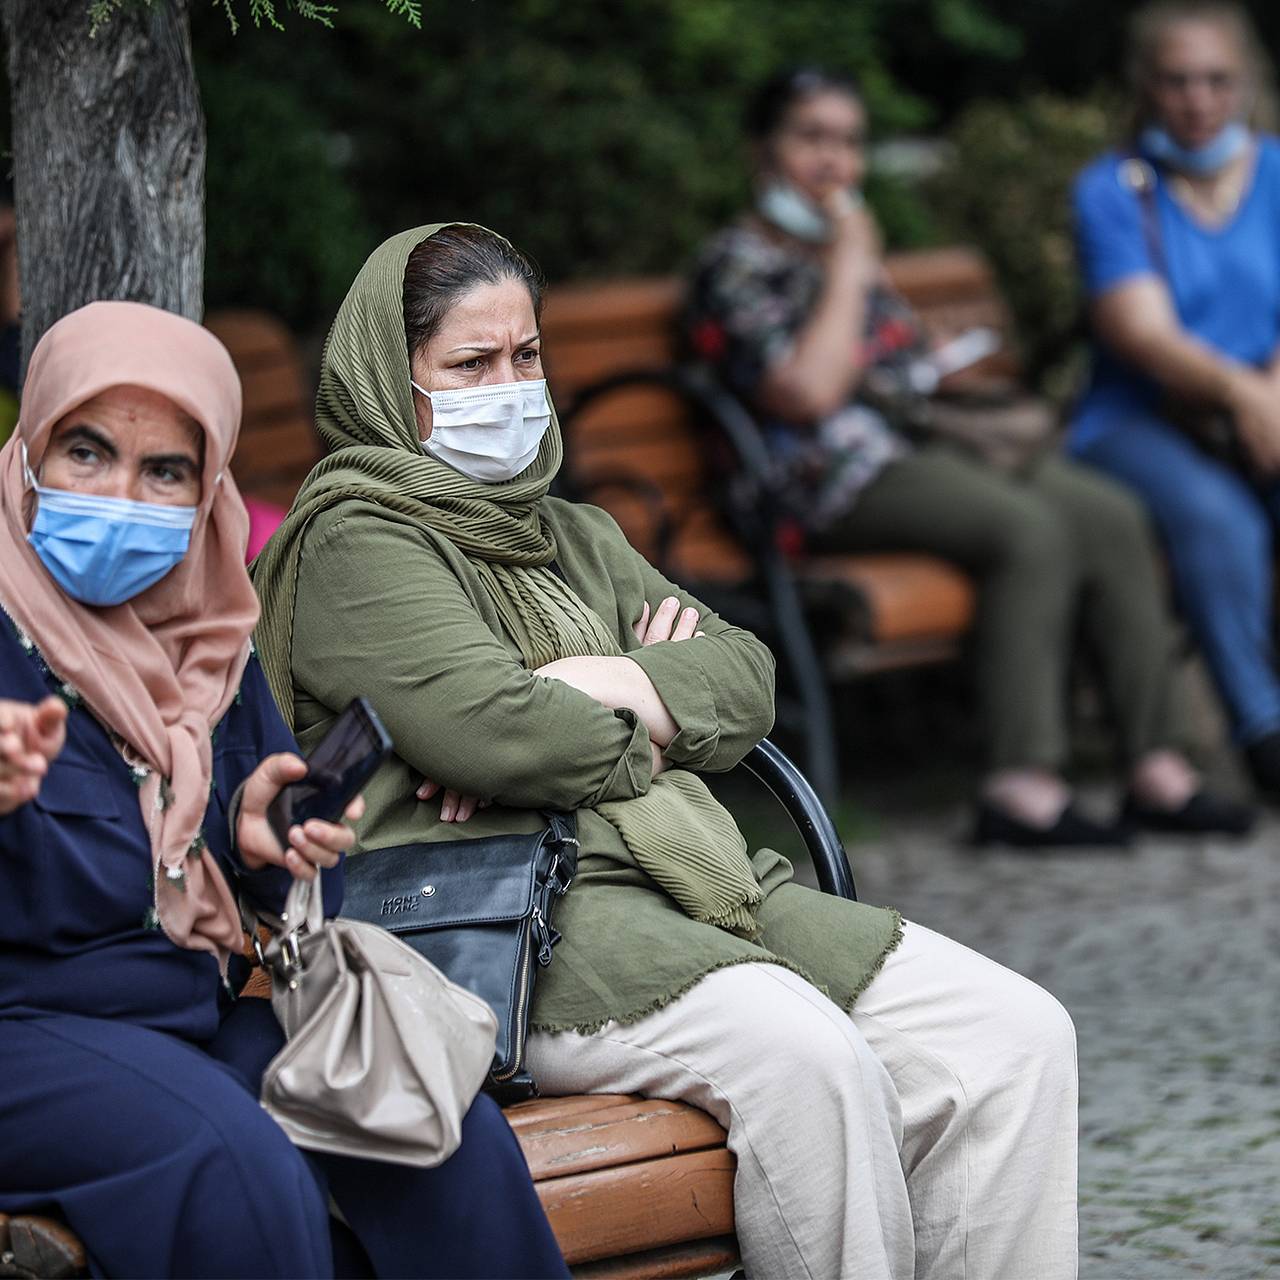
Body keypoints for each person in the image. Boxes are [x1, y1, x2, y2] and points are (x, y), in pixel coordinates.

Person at [251, 220, 1079, 1279]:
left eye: (526, 355)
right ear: (385, 377)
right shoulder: (356, 542)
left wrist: (577, 688)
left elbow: (747, 678)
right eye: (469, 364)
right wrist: (634, 711)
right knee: (808, 1059)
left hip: (694, 879)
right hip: (516, 929)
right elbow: (499, 734)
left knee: (1014, 1035)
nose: (509, 386)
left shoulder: (573, 533)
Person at [0, 301, 568, 1280]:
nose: (121, 494)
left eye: (164, 470)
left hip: (182, 1018)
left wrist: (265, 846)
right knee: (236, 1165)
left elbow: (275, 888)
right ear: (27, 456)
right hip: (23, 1034)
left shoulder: (205, 639)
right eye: (85, 453)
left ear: (206, 491)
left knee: (433, 1125)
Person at [682, 65, 1254, 844]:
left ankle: (1159, 770)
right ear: (763, 152)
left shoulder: (837, 253)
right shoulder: (736, 265)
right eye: (811, 138)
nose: (833, 163)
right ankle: (1022, 785)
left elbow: (895, 368)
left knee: (1110, 513)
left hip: (919, 447)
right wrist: (852, 266)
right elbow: (809, 395)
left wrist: (933, 357)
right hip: (824, 482)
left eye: (848, 143)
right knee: (1029, 531)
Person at [1067, 1, 1280, 799]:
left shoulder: (1278, 172)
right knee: (1217, 515)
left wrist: (1270, 400)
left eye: (1217, 79)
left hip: (1263, 407)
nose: (1198, 99)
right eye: (1178, 80)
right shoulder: (1114, 189)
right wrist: (1247, 396)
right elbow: (1140, 331)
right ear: (1147, 87)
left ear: (1249, 81)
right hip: (1139, 418)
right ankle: (1263, 728)